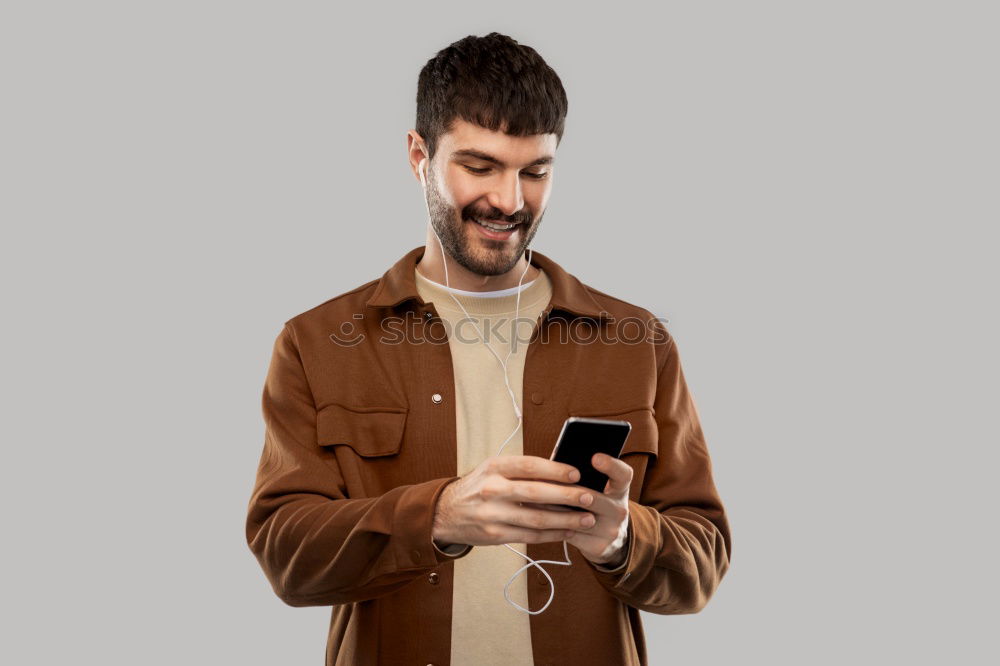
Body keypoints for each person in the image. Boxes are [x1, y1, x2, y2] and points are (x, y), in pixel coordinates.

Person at [245, 32, 732, 666]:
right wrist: (439, 516)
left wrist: (620, 538)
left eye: (535, 171)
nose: (509, 200)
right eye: (479, 167)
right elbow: (287, 557)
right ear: (419, 156)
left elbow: (703, 563)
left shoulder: (637, 341)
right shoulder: (316, 342)